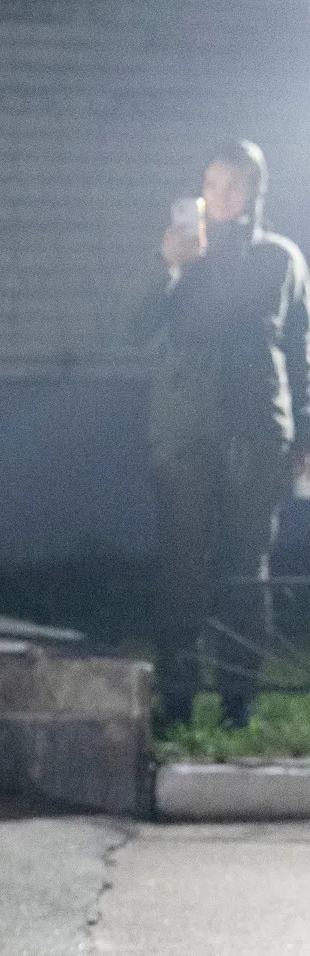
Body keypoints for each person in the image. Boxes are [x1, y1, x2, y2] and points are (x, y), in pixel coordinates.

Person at [134, 141, 309, 730]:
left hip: (258, 434)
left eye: (234, 184)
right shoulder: (184, 255)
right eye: (212, 183)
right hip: (185, 433)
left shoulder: (281, 259)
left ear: (256, 190)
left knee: (246, 568)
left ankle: (240, 699)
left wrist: (304, 433)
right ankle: (177, 696)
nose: (221, 195)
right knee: (182, 567)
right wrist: (168, 266)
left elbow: (300, 352)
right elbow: (133, 325)